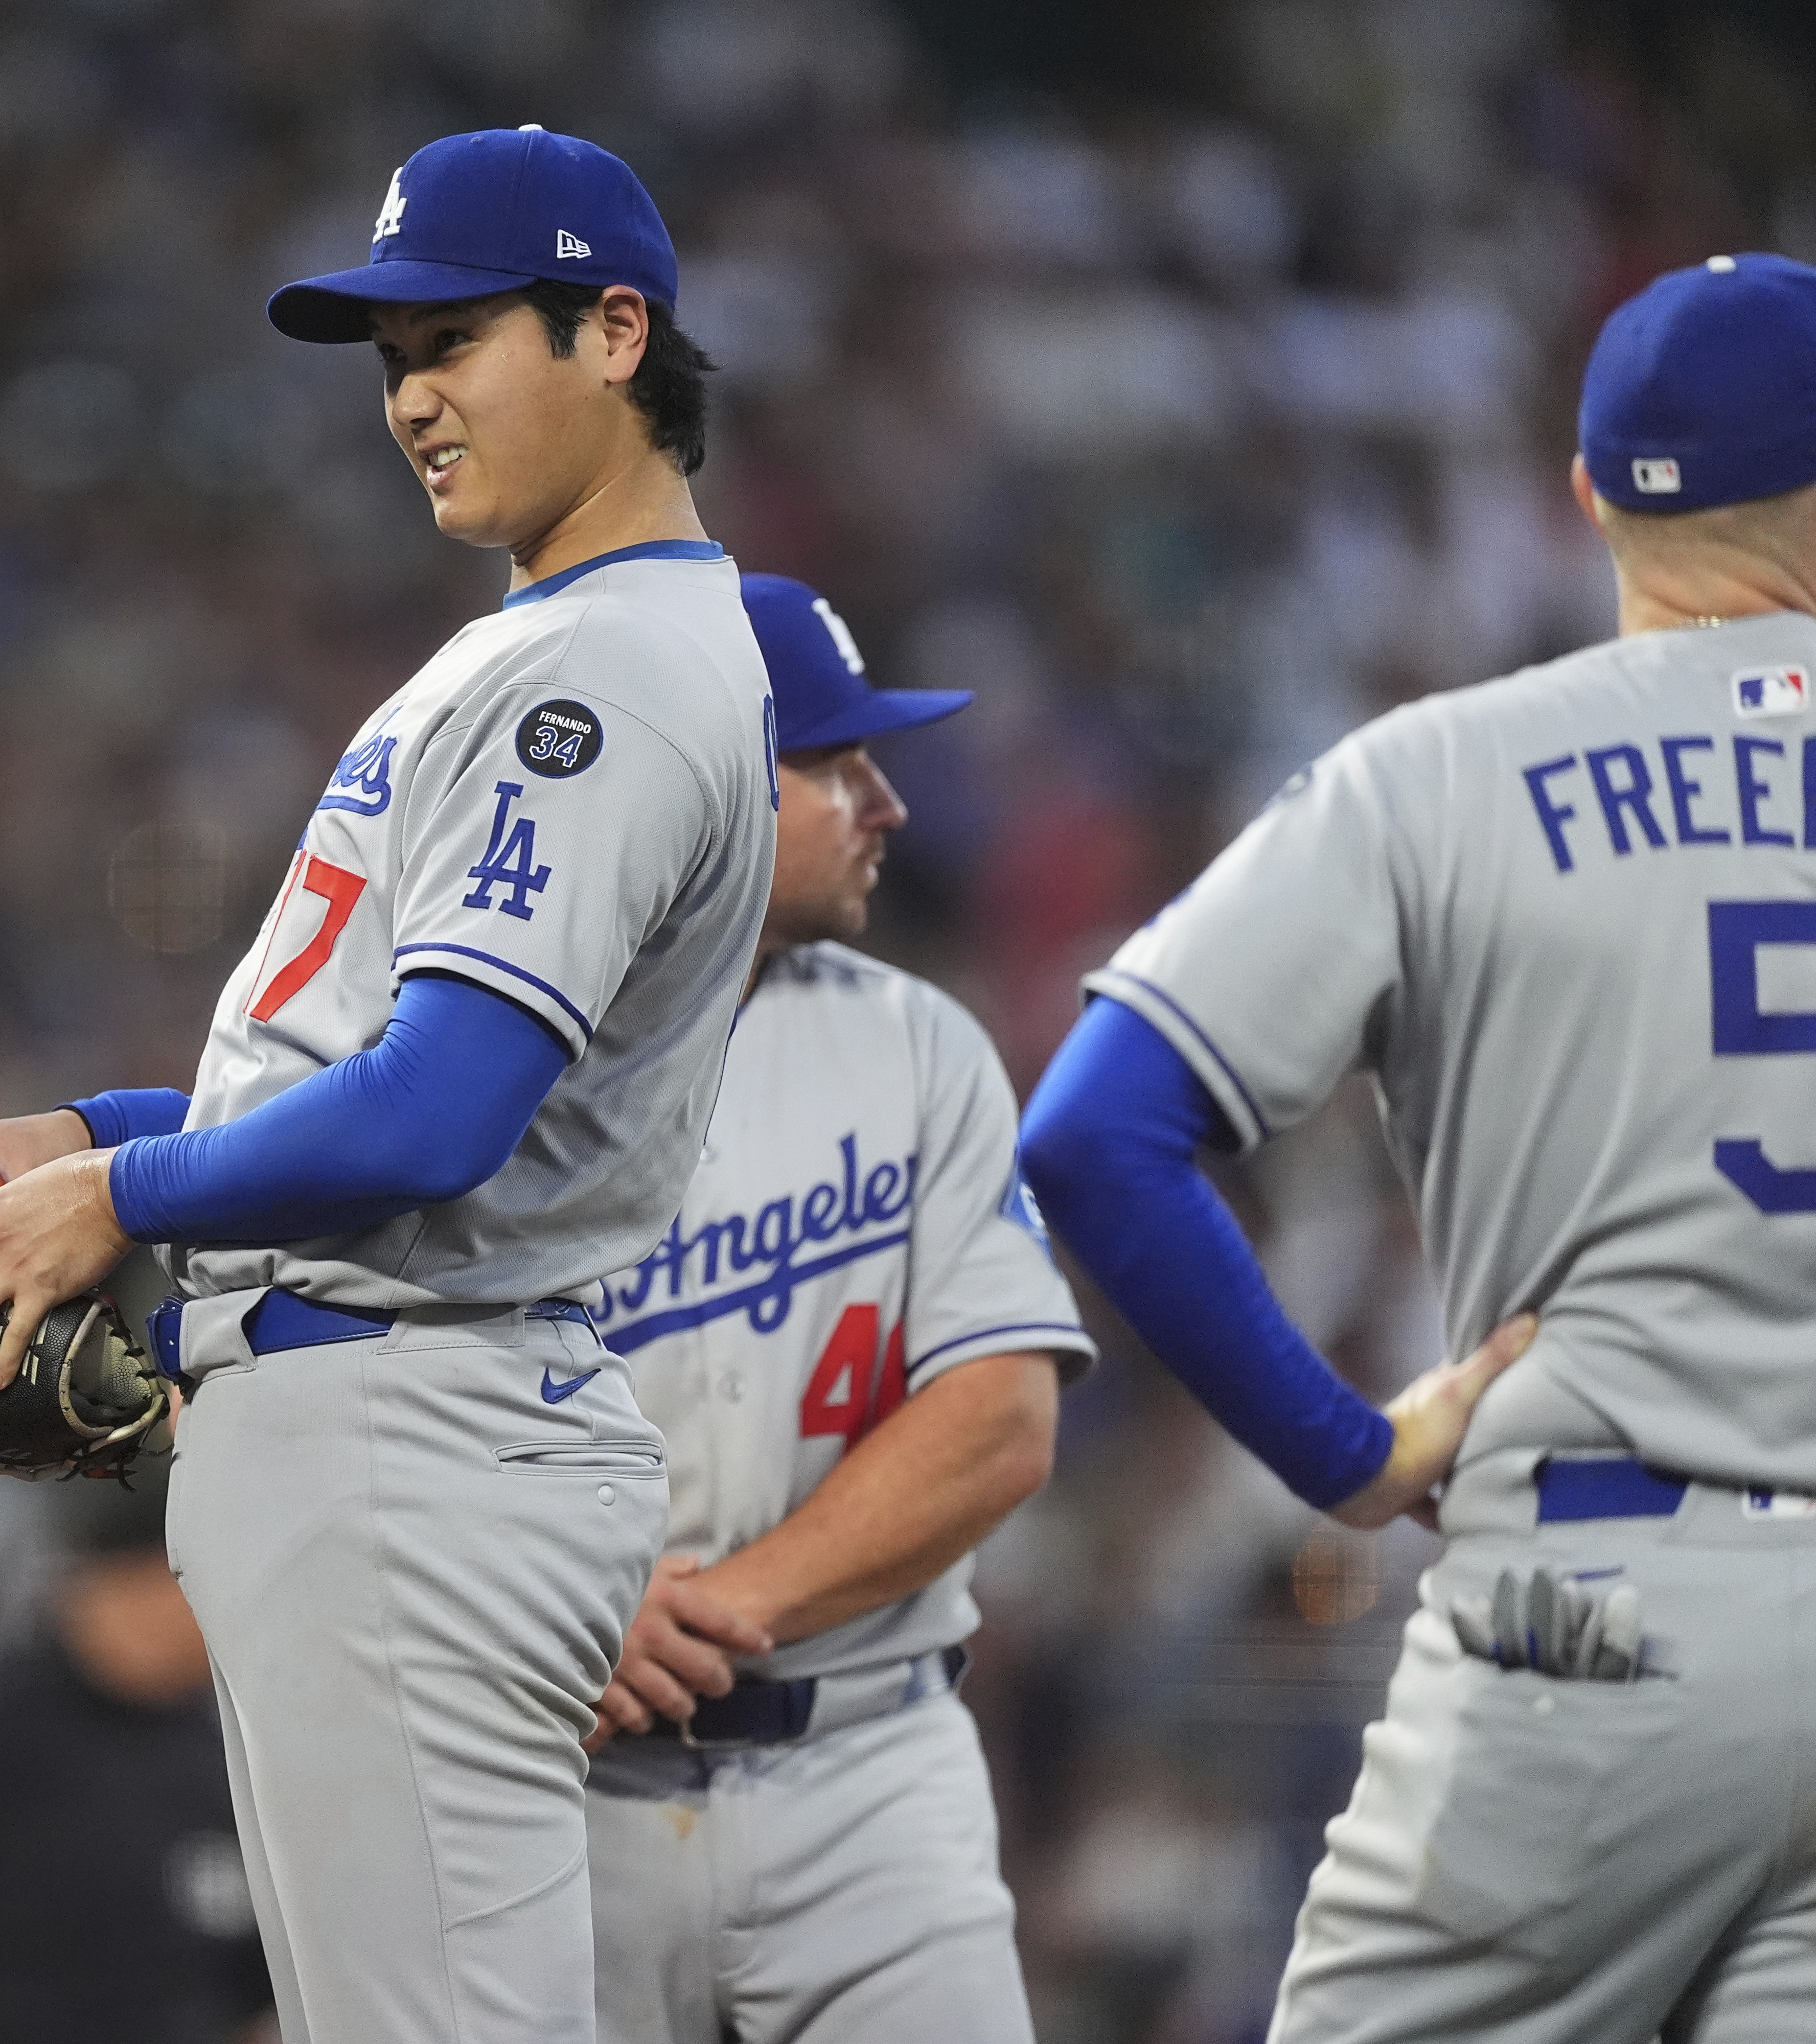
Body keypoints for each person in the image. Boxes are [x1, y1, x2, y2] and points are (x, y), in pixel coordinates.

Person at [0, 127, 777, 2042]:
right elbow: (366, 1060)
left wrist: (116, 1202)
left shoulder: (595, 677)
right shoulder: (576, 646)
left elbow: (437, 1114)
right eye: (390, 360)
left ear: (616, 330)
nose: (414, 399)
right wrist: (98, 1134)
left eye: (454, 339)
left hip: (401, 1429)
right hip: (406, 1424)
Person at [1018, 252, 1816, 2040]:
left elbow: (1093, 1133)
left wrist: (1349, 1454)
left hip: (1598, 1619)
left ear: (1590, 493)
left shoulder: (1440, 776)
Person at [583, 573, 1091, 2042]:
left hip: (868, 1773)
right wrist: (547, 1620)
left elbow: (999, 1424)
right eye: (834, 765)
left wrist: (728, 1607)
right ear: (710, 796)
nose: (889, 803)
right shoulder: (482, 1067)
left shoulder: (919, 1045)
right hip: (551, 1793)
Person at [0, 1474, 272, 2044]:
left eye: (182, 1587)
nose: (167, 1613)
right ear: (77, 1585)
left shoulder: (232, 1761)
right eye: (141, 1584)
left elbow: (254, 2000)